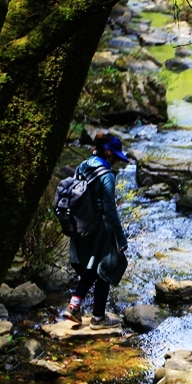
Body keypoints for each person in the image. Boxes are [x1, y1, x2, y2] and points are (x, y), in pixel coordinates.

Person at [60, 134, 130, 326]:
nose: (116, 160)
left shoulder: (83, 165)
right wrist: (121, 238)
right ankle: (97, 317)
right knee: (104, 269)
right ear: (108, 153)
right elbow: (110, 209)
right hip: (100, 229)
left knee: (90, 268)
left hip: (80, 224)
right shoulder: (107, 176)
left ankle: (75, 306)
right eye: (115, 156)